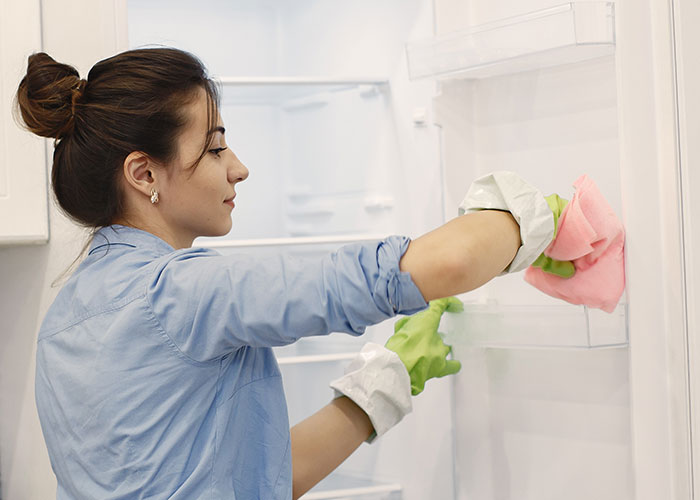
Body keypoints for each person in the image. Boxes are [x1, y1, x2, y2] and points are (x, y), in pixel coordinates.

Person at [15, 48, 558, 499]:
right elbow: (447, 263)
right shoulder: (183, 292)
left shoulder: (62, 321)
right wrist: (540, 216)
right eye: (215, 146)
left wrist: (384, 384)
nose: (238, 167)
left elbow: (259, 479)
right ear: (143, 172)